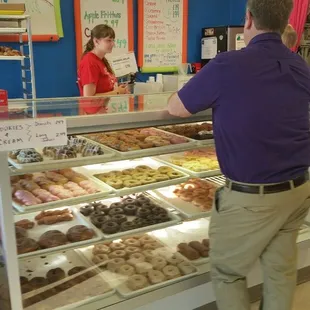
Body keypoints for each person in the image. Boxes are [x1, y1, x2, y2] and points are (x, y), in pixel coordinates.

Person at [167, 0, 310, 309]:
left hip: (252, 198)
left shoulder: (228, 64)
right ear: (286, 20)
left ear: (247, 19)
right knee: (281, 271)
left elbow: (176, 107)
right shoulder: (299, 65)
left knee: (228, 273)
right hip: (297, 190)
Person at [78, 24, 128, 97]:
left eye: (113, 40)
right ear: (96, 41)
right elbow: (89, 98)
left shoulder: (101, 60)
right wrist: (117, 92)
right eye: (108, 40)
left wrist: (119, 90)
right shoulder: (89, 62)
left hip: (104, 107)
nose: (113, 44)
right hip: (94, 108)